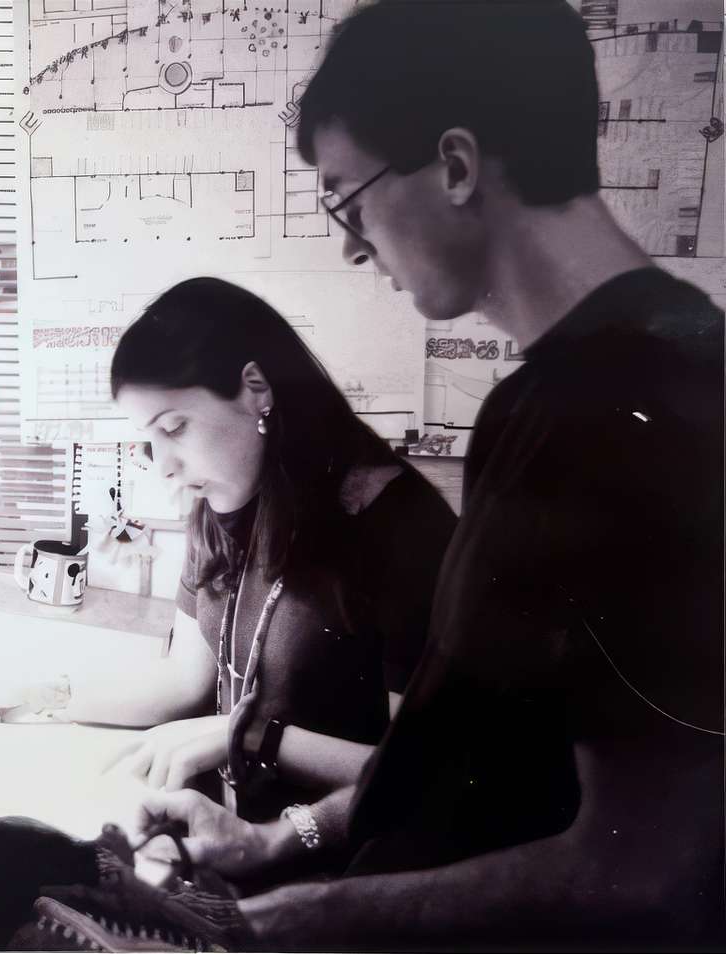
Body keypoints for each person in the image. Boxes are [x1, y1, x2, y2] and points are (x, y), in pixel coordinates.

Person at [136, 1, 725, 947]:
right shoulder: (536, 406)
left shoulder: (642, 410)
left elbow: (641, 870)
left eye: (348, 199)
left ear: (455, 165)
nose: (351, 244)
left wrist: (286, 922)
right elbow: (461, 773)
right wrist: (270, 844)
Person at [0, 278, 457, 950]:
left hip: (324, 895)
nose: (164, 465)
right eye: (149, 441)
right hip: (217, 857)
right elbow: (184, 682)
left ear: (256, 389)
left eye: (174, 428)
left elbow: (424, 779)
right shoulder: (222, 502)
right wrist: (44, 695)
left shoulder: (401, 529)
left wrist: (254, 741)